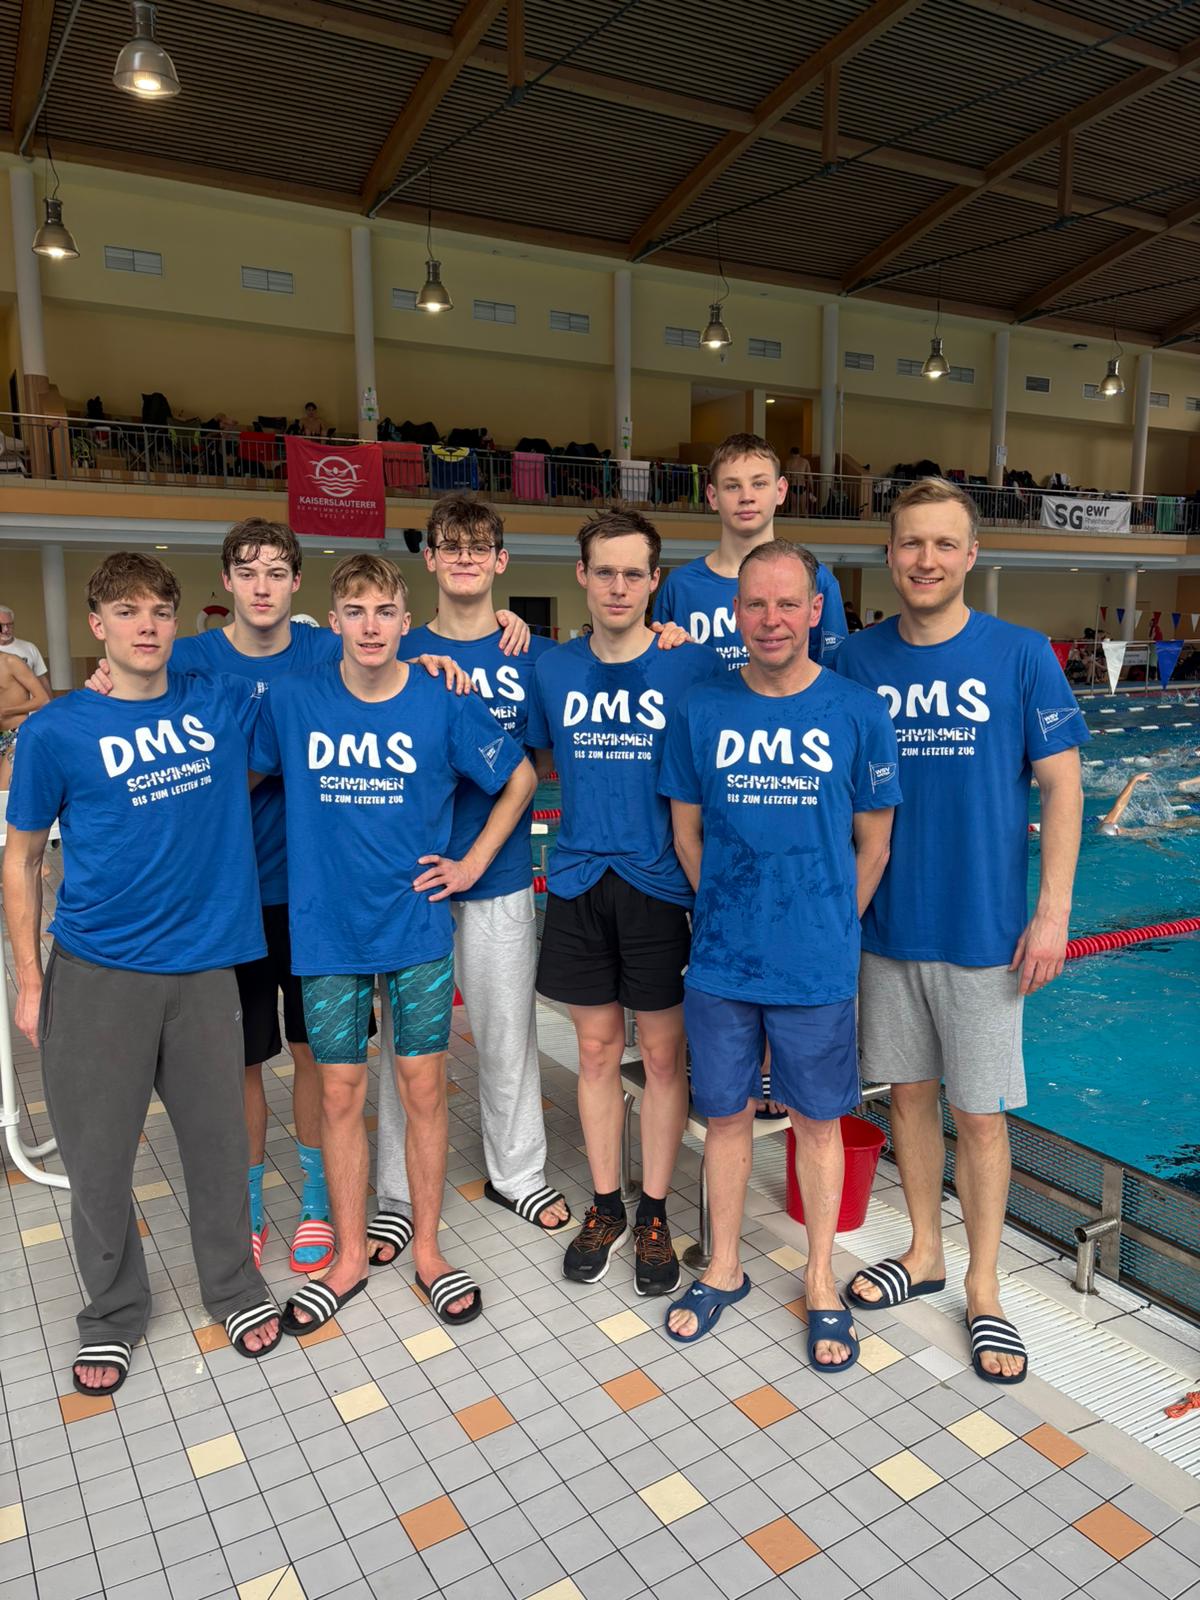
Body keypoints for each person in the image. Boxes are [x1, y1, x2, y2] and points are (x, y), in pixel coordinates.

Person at [85, 516, 483, 1275]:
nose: (262, 586)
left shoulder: (323, 649)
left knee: (314, 1057)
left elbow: (383, 650)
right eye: (248, 571)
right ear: (227, 581)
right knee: (241, 1059)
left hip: (313, 898)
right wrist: (107, 682)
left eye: (276, 571)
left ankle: (316, 1202)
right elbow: (137, 683)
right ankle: (249, 1205)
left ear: (297, 585)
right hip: (229, 894)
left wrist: (441, 660)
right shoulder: (189, 656)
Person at [3, 552, 282, 1396]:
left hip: (204, 969)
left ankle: (233, 1286)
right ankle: (113, 1312)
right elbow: (20, 861)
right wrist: (30, 980)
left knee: (218, 1147)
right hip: (99, 972)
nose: (146, 625)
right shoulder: (56, 732)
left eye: (159, 610)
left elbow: (320, 664)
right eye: (126, 612)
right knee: (98, 1160)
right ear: (97, 626)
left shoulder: (218, 702)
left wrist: (436, 656)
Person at [836, 478, 1087, 1386]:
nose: (926, 560)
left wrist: (1052, 912)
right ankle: (925, 1251)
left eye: (944, 544)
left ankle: (984, 1287)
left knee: (979, 1115)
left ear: (972, 556)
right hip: (887, 927)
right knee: (908, 1098)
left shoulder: (1020, 656)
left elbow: (1063, 785)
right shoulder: (855, 659)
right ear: (889, 554)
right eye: (911, 543)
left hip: (984, 932)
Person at [248, 553, 537, 1332]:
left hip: (415, 929)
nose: (370, 626)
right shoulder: (294, 700)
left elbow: (518, 778)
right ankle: (348, 1256)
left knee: (422, 1090)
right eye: (355, 611)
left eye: (384, 612)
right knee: (339, 1093)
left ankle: (429, 1252)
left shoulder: (441, 701)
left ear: (407, 623)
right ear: (333, 621)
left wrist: (471, 863)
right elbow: (237, 774)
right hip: (327, 933)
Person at [659, 541, 899, 1367]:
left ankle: (821, 1277)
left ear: (815, 609)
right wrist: (726, 913)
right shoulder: (701, 708)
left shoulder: (857, 711)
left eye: (787, 603)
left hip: (816, 964)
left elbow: (875, 845)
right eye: (756, 604)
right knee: (725, 1117)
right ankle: (723, 1267)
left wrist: (828, 925)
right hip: (722, 960)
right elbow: (686, 834)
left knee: (818, 1124)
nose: (771, 619)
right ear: (736, 614)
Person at [527, 509, 722, 1295]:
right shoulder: (554, 669)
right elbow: (532, 758)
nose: (617, 586)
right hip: (578, 879)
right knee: (597, 1052)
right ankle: (606, 1206)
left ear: (653, 582)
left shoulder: (691, 665)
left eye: (632, 573)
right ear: (582, 575)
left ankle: (655, 1213)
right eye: (603, 571)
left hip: (659, 885)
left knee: (666, 1056)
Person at [372, 495, 569, 1252]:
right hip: (415, 878)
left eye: (478, 546)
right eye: (449, 546)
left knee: (506, 1032)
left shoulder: (534, 655)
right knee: (406, 1042)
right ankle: (397, 1191)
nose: (463, 558)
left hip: (498, 872)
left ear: (500, 561)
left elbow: (539, 763)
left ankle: (517, 1174)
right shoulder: (400, 647)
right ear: (428, 559)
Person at [654, 434, 848, 670]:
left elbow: (833, 676)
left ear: (781, 490)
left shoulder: (817, 578)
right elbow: (663, 673)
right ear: (713, 496)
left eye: (759, 484)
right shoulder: (679, 586)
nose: (746, 497)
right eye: (732, 486)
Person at [0, 644, 50, 790]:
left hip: (17, 734)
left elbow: (43, 699)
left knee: (4, 791)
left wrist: (5, 711)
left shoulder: (11, 662)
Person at [0, 604, 49, 682]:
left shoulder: (30, 647)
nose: (5, 629)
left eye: (9, 624)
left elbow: (42, 679)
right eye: (1, 625)